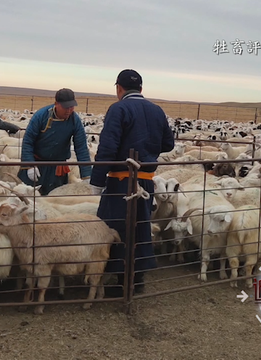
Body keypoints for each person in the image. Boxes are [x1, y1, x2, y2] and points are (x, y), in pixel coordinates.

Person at [90, 69, 175, 296]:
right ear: (141, 89)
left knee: (116, 227)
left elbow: (107, 147)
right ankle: (137, 279)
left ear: (118, 88)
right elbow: (168, 143)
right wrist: (149, 148)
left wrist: (96, 181)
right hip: (146, 182)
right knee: (140, 227)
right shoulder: (157, 110)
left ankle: (120, 282)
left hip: (121, 182)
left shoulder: (118, 109)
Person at [18, 88, 91, 195]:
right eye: (66, 107)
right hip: (37, 165)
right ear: (56, 104)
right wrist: (29, 165)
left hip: (57, 168)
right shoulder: (41, 116)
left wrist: (87, 176)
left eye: (71, 107)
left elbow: (81, 148)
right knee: (31, 199)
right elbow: (28, 141)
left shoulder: (75, 120)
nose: (69, 110)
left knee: (55, 201)